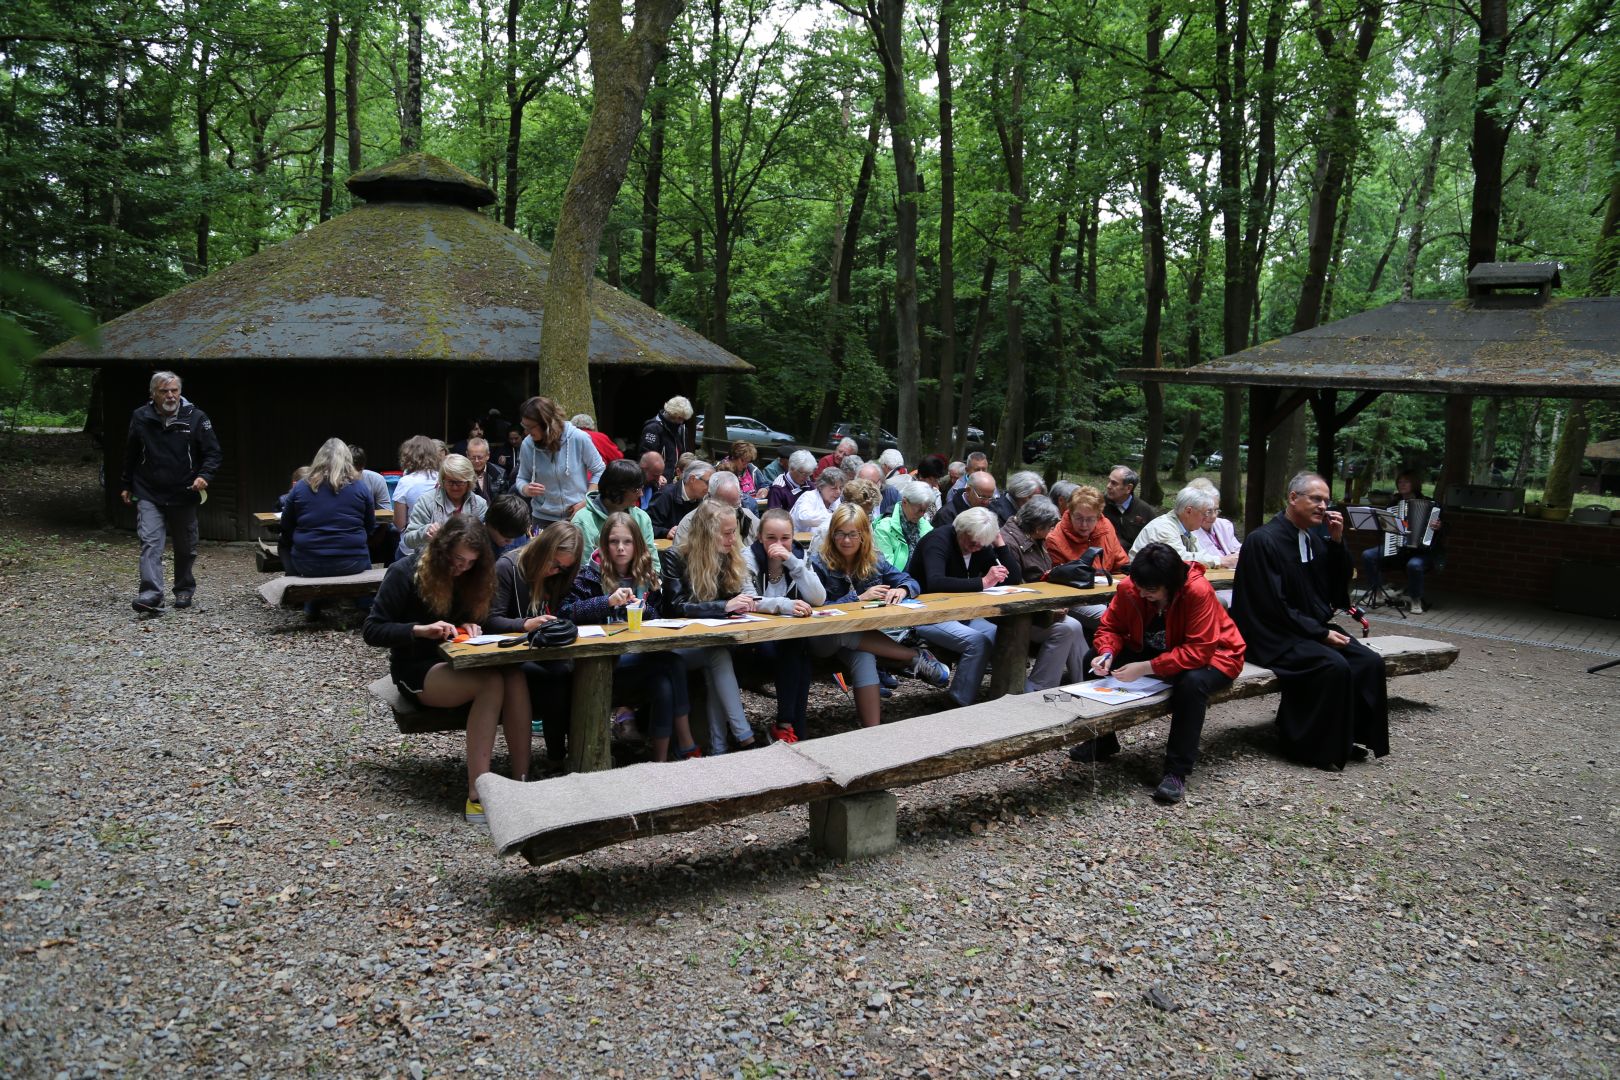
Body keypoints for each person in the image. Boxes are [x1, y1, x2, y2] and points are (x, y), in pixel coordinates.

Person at [363, 517, 531, 823]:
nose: (461, 568)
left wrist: (469, 623)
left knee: (514, 675)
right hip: (417, 667)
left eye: (470, 563)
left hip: (461, 660)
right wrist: (418, 630)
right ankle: (477, 795)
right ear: (441, 549)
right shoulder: (404, 572)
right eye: (456, 560)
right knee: (491, 683)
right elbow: (372, 630)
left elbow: (475, 617)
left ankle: (522, 781)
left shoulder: (472, 576)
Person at [1230, 472, 1389, 771]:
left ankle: (1345, 738)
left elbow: (1334, 589)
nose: (1323, 506)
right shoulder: (1263, 541)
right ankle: (1304, 745)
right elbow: (1271, 604)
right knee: (1333, 665)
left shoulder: (1313, 540)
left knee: (1369, 662)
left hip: (1305, 629)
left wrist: (1337, 542)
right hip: (1271, 634)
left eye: (1326, 500)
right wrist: (1319, 633)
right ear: (1293, 498)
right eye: (1316, 499)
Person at [1072, 542, 1247, 804]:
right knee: (1091, 659)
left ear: (1171, 584)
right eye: (1140, 587)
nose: (1143, 594)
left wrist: (1146, 668)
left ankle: (1176, 772)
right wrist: (1106, 652)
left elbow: (1199, 650)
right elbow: (1110, 627)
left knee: (1191, 684)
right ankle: (1103, 741)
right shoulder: (1131, 588)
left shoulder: (1197, 591)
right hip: (1156, 651)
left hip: (1216, 655)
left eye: (1151, 590)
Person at [564, 513, 700, 760]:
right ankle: (686, 742)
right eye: (614, 542)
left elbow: (659, 613)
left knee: (664, 685)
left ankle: (659, 761)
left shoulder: (646, 575)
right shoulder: (589, 576)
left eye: (627, 542)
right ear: (604, 545)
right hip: (602, 660)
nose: (620, 548)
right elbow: (567, 612)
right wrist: (606, 602)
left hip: (640, 655)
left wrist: (643, 607)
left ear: (636, 544)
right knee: (673, 662)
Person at [809, 504, 953, 726]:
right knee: (841, 633)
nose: (846, 540)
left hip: (859, 641)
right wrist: (857, 599)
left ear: (864, 535)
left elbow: (910, 580)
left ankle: (873, 731)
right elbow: (817, 611)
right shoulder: (819, 564)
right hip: (822, 638)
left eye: (852, 534)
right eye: (840, 533)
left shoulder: (874, 561)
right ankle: (912, 656)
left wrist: (902, 589)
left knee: (864, 657)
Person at [660, 500, 760, 753]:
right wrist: (723, 607)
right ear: (707, 533)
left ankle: (720, 747)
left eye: (734, 532)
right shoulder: (675, 557)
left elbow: (738, 595)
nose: (732, 539)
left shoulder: (728, 557)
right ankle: (744, 737)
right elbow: (674, 607)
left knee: (718, 656)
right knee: (717, 655)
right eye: (726, 533)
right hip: (679, 645)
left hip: (713, 640)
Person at [120, 371, 222, 613]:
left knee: (186, 546)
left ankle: (184, 589)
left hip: (184, 491)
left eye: (174, 390)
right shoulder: (141, 417)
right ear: (153, 394)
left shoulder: (196, 417)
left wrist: (204, 476)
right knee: (150, 542)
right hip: (148, 491)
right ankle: (151, 594)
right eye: (164, 391)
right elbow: (131, 453)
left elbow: (213, 453)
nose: (170, 395)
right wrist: (125, 484)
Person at [487, 522, 582, 768]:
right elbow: (490, 620)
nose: (554, 571)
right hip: (509, 656)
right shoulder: (507, 568)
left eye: (562, 567)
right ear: (542, 549)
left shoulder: (558, 577)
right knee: (558, 676)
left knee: (578, 672)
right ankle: (557, 755)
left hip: (544, 652)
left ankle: (576, 751)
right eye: (553, 563)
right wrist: (526, 624)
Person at [907, 506, 1020, 708]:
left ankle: (1002, 694)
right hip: (927, 615)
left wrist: (1000, 544)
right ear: (961, 530)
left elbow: (1013, 579)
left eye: (981, 544)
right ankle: (959, 702)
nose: (976, 548)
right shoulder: (938, 541)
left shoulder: (981, 544)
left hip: (963, 613)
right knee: (978, 642)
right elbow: (935, 582)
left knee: (999, 633)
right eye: (972, 543)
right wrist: (983, 583)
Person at [739, 508, 827, 743]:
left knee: (797, 647)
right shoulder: (746, 557)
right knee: (797, 653)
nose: (778, 544)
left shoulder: (798, 556)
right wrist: (784, 605)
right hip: (754, 640)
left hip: (788, 640)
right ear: (760, 537)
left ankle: (786, 725)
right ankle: (793, 725)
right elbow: (749, 601)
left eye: (785, 538)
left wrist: (792, 562)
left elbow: (819, 598)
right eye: (771, 538)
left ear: (793, 537)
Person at [999, 496, 1090, 692]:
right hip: (1016, 617)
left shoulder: (1034, 538)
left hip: (1039, 608)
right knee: (1066, 629)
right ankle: (1038, 689)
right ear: (1037, 524)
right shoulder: (1010, 543)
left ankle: (1085, 682)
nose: (1052, 531)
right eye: (1050, 526)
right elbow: (1014, 588)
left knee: (1074, 625)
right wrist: (1048, 610)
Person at [278, 438, 375, 579]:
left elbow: (286, 524)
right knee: (364, 545)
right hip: (353, 562)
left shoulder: (300, 487)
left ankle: (295, 588)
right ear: (348, 460)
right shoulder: (360, 487)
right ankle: (365, 600)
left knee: (283, 542)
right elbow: (369, 526)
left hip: (308, 564)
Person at [1356, 471, 1441, 614]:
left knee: (1414, 564)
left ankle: (1415, 599)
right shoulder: (1394, 503)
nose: (1402, 485)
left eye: (1406, 482)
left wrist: (1439, 527)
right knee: (1368, 555)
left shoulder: (1431, 504)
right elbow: (1386, 528)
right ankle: (1377, 592)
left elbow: (1445, 530)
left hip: (1421, 550)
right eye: (1400, 482)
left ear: (1414, 484)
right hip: (1397, 547)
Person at [514, 395, 605, 528]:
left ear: (546, 424)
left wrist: (586, 501)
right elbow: (521, 478)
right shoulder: (528, 445)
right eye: (524, 425)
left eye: (530, 427)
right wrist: (526, 489)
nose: (526, 431)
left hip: (578, 515)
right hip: (542, 518)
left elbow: (600, 470)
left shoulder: (578, 438)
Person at [573, 457, 663, 569]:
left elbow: (652, 562)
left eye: (642, 488)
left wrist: (651, 583)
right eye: (636, 490)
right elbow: (583, 569)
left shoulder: (641, 518)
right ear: (616, 490)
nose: (641, 494)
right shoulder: (583, 520)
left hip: (638, 583)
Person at [1129, 485, 1238, 570]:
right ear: (1188, 511)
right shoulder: (1163, 527)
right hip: (1145, 586)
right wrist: (1220, 561)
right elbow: (1180, 559)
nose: (1206, 518)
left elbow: (1199, 554)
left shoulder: (1185, 528)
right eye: (1204, 513)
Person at [401, 453, 488, 557]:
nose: (455, 487)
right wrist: (425, 532)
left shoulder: (479, 504)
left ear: (469, 481)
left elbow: (485, 540)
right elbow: (408, 540)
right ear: (442, 480)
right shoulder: (426, 501)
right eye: (450, 482)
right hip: (432, 562)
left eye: (460, 482)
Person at [669, 469, 759, 549]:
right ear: (709, 497)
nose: (731, 512)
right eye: (724, 507)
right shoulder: (690, 523)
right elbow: (678, 561)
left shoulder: (747, 517)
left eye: (735, 506)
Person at [349, 445, 399, 564]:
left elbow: (386, 514)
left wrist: (377, 537)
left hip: (374, 528)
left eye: (358, 470)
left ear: (362, 467)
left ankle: (388, 573)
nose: (354, 475)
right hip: (348, 528)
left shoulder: (375, 479)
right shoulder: (336, 482)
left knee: (393, 532)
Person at [874, 480, 935, 571]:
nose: (922, 515)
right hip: (898, 581)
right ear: (904, 502)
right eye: (919, 510)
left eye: (924, 511)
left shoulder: (926, 527)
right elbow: (886, 569)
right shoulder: (884, 528)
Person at [391, 436, 443, 537]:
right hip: (439, 542)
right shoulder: (443, 478)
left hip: (412, 545)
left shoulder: (405, 482)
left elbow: (399, 524)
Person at [649, 458, 713, 538]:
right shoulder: (665, 495)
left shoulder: (703, 499)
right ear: (692, 479)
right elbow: (647, 527)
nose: (710, 488)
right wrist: (666, 532)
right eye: (707, 483)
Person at [933, 470, 1009, 530]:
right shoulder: (946, 515)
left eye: (990, 497)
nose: (986, 502)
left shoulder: (994, 509)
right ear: (968, 490)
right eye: (981, 496)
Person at [639, 396, 692, 480]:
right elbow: (646, 457)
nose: (682, 421)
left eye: (684, 418)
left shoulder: (681, 429)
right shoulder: (653, 428)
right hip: (658, 480)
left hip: (676, 479)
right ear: (672, 413)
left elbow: (684, 453)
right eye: (680, 418)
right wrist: (657, 476)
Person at [1104, 466, 1159, 548]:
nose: (1108, 486)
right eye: (1109, 481)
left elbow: (1154, 542)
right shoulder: (1099, 505)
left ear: (1128, 488)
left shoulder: (1145, 511)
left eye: (1114, 483)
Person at [791, 467, 844, 535]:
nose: (838, 492)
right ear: (821, 486)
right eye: (834, 488)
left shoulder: (836, 500)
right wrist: (835, 517)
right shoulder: (809, 496)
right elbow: (803, 517)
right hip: (798, 541)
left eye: (841, 488)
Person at [466, 437, 506, 504]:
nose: (476, 461)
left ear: (487, 455)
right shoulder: (462, 475)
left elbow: (504, 502)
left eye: (480, 457)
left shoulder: (500, 474)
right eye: (473, 457)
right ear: (467, 455)